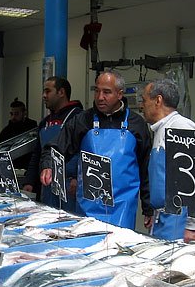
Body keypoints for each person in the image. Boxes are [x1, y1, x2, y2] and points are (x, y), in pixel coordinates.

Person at [39, 70, 152, 229]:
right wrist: (48, 165)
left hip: (123, 209)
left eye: (106, 92)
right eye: (97, 91)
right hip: (88, 208)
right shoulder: (83, 120)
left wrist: (148, 207)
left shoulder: (137, 124)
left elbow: (146, 168)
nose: (100, 97)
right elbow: (55, 146)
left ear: (120, 94)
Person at [140, 78, 195, 243]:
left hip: (184, 221)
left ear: (158, 100)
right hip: (168, 219)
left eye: (144, 100)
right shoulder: (161, 130)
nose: (141, 106)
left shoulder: (180, 127)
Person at [23, 77, 82, 211]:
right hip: (47, 185)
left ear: (61, 92)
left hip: (70, 186)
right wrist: (29, 181)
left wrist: (79, 179)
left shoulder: (78, 117)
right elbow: (38, 153)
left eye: (48, 91)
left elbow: (86, 151)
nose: (44, 96)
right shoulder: (45, 122)